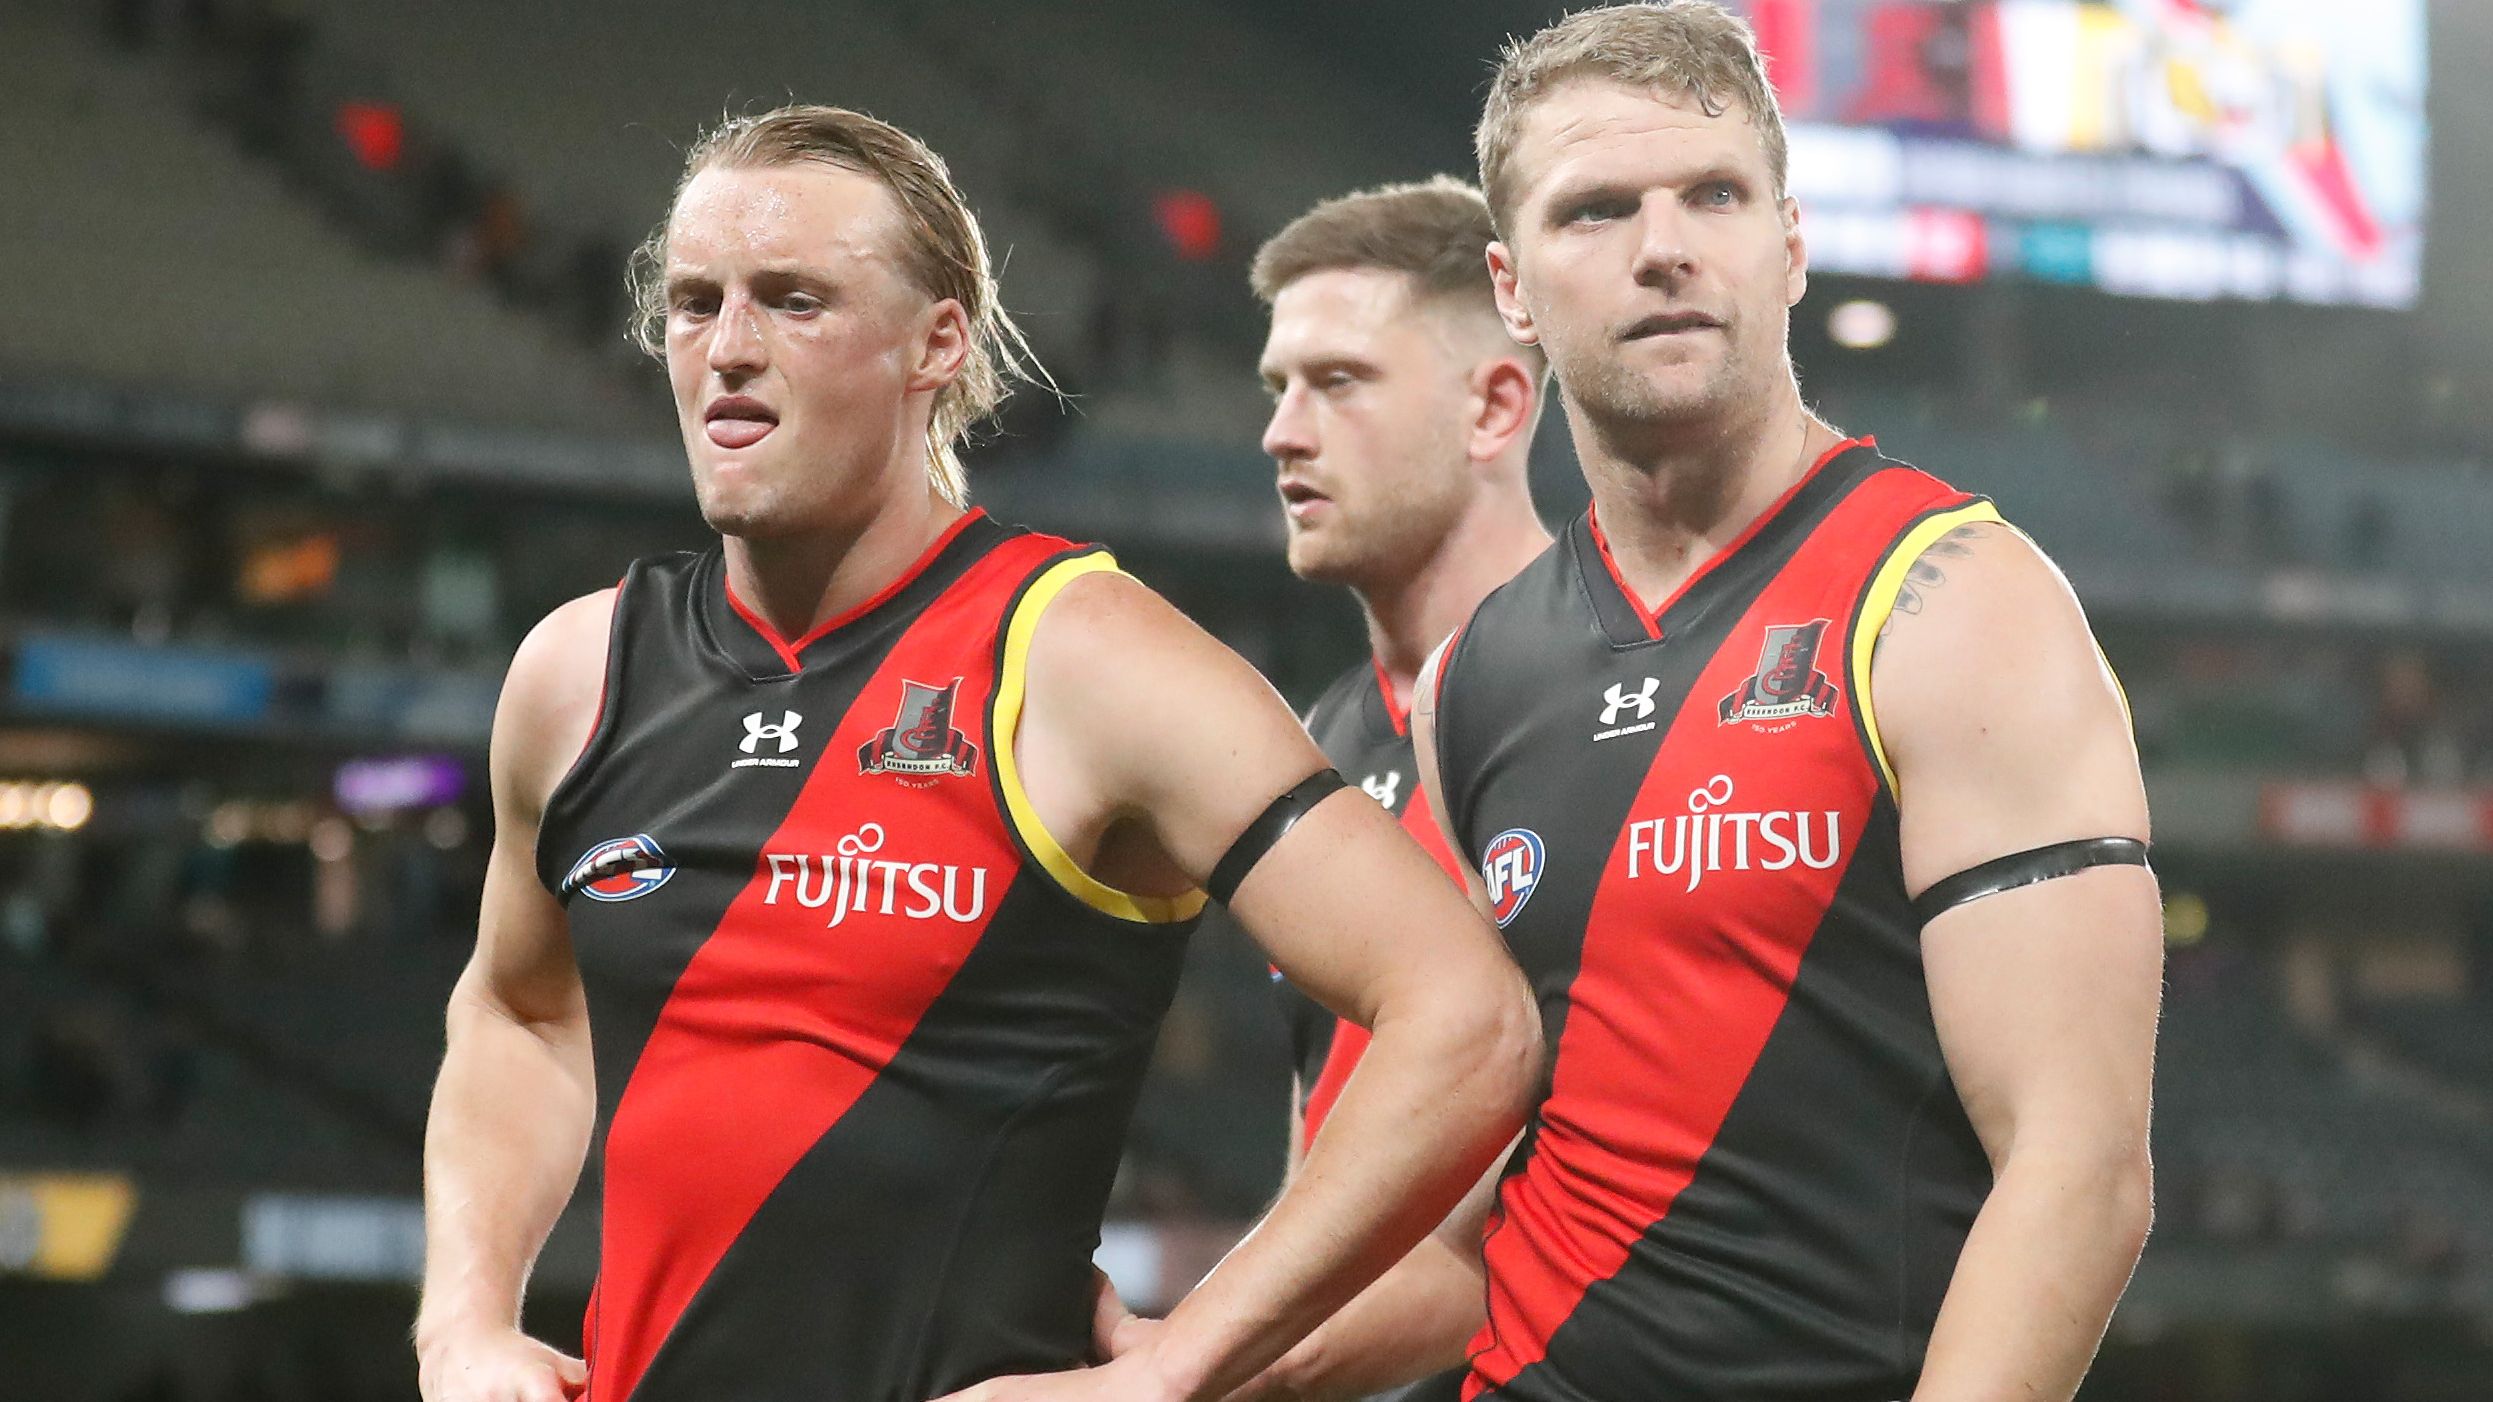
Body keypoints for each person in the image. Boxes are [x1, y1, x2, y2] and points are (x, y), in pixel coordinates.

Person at [411, 105, 1541, 1402]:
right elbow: (518, 1008)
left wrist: (1171, 1373)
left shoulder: (1082, 658)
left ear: (936, 341)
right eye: (692, 302)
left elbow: (1465, 1019)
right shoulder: (579, 673)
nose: (727, 348)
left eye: (792, 300)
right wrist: (463, 1319)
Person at [1331, 5, 2164, 1399]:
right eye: (1594, 210)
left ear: (1787, 246)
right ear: (1512, 288)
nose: (1664, 246)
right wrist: (1179, 1368)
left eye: (1712, 195)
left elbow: (2077, 1166)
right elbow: (1460, 1231)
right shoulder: (1472, 676)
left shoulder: (1951, 598)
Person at [1250, 177, 1553, 1399]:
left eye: (1340, 381)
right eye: (1278, 387)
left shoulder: (1601, 705)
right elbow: (1313, 1161)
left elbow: (1496, 1250)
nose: (1282, 430)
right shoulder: (1318, 735)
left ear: (1493, 405)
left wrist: (1175, 1370)